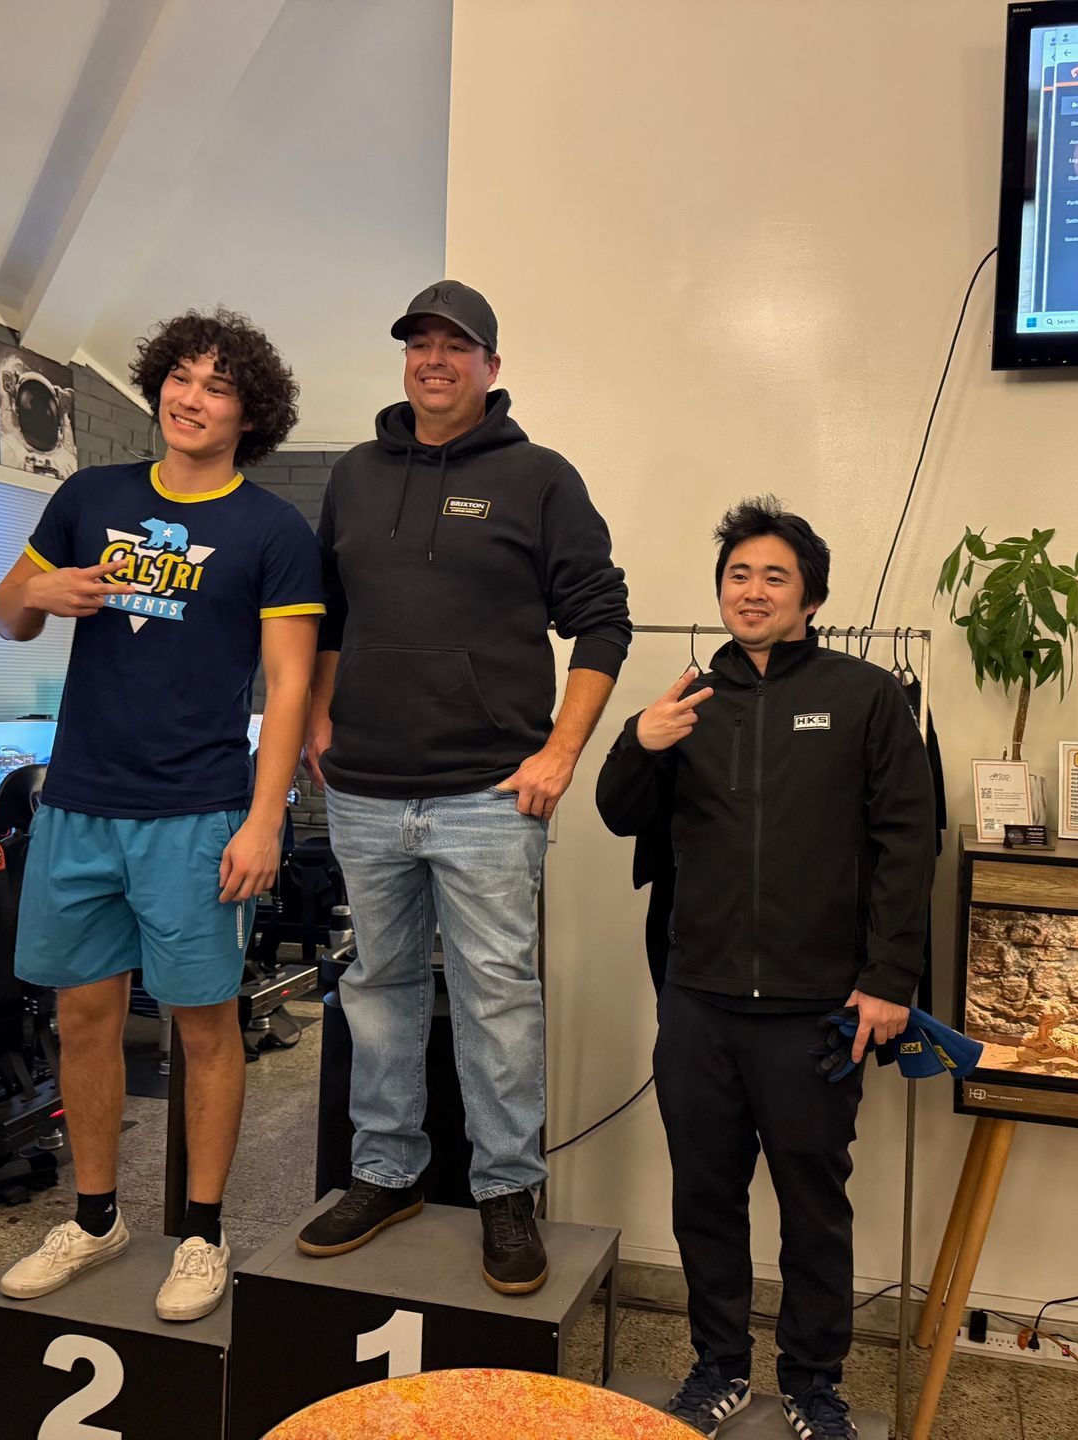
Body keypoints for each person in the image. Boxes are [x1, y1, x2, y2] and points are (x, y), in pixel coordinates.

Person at [297, 280, 630, 1295]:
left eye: (456, 346)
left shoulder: (539, 478)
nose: (433, 360)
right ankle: (385, 1173)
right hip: (364, 791)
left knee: (496, 1004)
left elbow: (603, 619)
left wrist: (561, 751)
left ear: (491, 366)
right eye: (418, 344)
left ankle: (505, 1196)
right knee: (380, 995)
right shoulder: (354, 476)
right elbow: (331, 617)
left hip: (490, 793)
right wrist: (318, 713)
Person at [0, 309, 320, 1322]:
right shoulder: (91, 496)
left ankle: (203, 1235)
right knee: (83, 1016)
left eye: (218, 386)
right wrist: (48, 585)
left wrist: (267, 820)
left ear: (247, 413)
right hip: (82, 800)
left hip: (197, 811)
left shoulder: (273, 529)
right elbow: (7, 611)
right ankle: (94, 1219)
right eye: (180, 377)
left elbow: (291, 683)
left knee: (203, 1024)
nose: (192, 397)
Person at [596, 498, 935, 1438]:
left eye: (773, 576)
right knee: (704, 1195)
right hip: (698, 999)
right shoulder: (686, 704)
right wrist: (638, 742)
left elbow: (909, 843)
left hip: (817, 1007)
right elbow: (620, 815)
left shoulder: (868, 697)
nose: (752, 590)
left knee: (812, 1204)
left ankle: (815, 1382)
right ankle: (717, 1368)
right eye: (738, 575)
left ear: (812, 596)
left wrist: (889, 979)